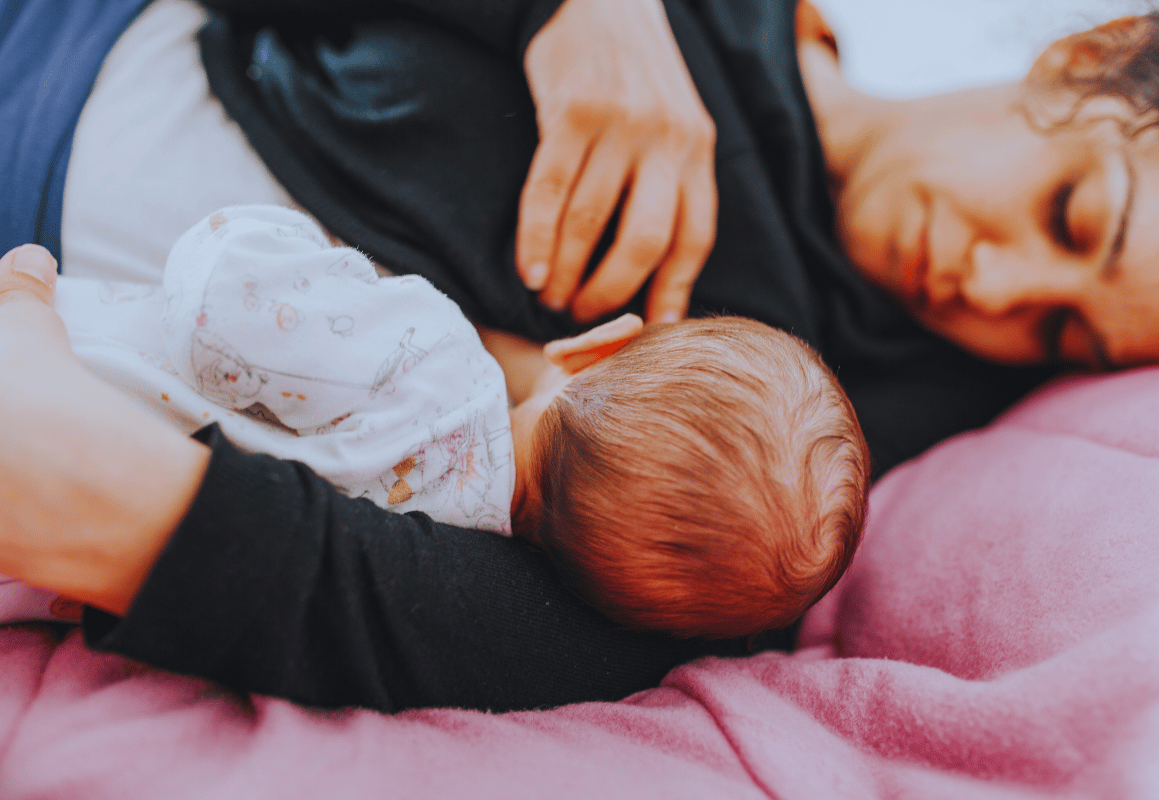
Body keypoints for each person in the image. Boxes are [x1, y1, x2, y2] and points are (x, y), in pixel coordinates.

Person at [1, 0, 1159, 712]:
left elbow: (588, 625)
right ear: (1090, 51)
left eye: (1067, 332)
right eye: (1071, 216)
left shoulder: (827, 441)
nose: (993, 288)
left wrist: (149, 521)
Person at [4, 203, 868, 639]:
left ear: (597, 346)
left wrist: (306, 244)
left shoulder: (438, 358)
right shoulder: (456, 559)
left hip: (52, 370)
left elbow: (219, 295)